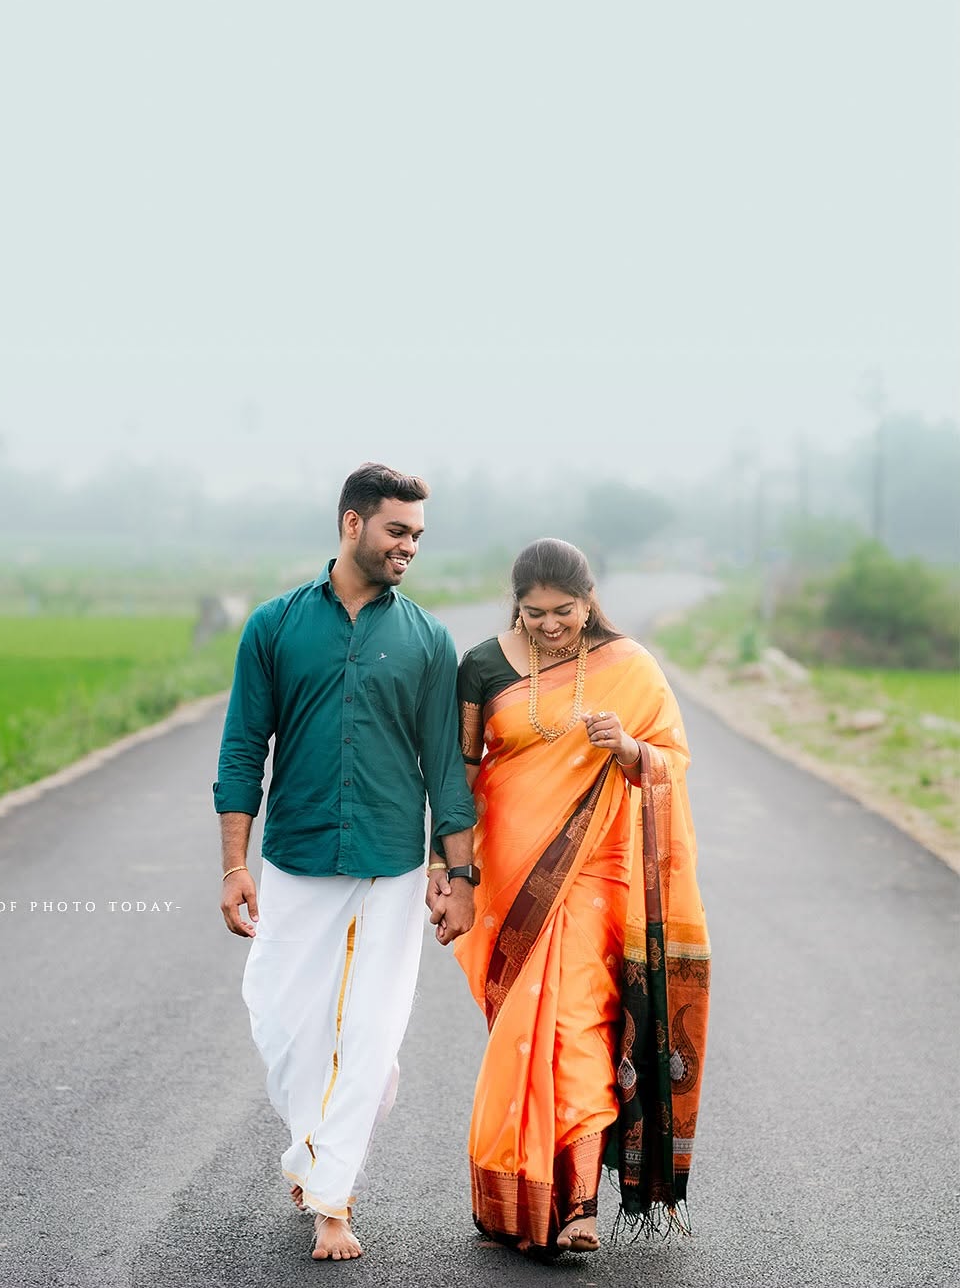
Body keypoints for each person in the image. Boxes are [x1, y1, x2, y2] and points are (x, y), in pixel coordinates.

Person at [214, 462, 477, 1263]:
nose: (410, 547)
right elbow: (240, 750)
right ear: (352, 523)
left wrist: (457, 875)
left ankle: (335, 1198)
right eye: (398, 530)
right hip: (295, 861)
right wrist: (234, 864)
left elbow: (447, 769)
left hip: (391, 869)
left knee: (367, 1032)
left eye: (419, 536)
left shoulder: (428, 639)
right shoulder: (275, 625)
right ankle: (315, 1150)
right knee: (286, 1026)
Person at [452, 538, 710, 1257]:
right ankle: (519, 1194)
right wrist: (453, 873)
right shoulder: (480, 666)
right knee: (523, 1033)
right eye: (534, 613)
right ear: (516, 604)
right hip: (511, 873)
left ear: (589, 599)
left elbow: (671, 761)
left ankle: (581, 1205)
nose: (550, 625)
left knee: (577, 1023)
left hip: (597, 868)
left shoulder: (629, 667)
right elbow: (457, 778)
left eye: (564, 611)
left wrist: (628, 749)